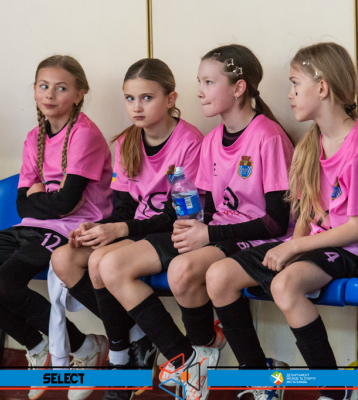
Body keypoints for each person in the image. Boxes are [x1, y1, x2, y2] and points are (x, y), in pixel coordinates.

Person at [92, 44, 293, 400]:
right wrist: (192, 229)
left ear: (239, 88)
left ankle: (227, 367)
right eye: (199, 82)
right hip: (216, 232)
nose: (199, 91)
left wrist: (207, 233)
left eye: (208, 82)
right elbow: (208, 208)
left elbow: (276, 223)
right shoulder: (213, 140)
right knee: (113, 265)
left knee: (184, 270)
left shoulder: (268, 136)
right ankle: (193, 359)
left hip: (258, 239)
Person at [206, 42, 358, 400]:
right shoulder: (313, 142)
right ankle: (260, 380)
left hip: (355, 246)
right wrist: (293, 245)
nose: (289, 94)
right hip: (314, 241)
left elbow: (357, 228)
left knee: (285, 286)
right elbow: (306, 211)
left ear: (322, 88)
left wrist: (294, 248)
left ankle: (336, 392)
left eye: (295, 84)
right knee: (218, 277)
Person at [0, 55, 113, 400]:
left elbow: (66, 205)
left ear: (79, 94)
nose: (50, 94)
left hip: (72, 230)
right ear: (35, 90)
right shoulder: (34, 137)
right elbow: (23, 205)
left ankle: (85, 348)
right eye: (43, 86)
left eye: (61, 88)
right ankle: (37, 346)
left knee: (5, 283)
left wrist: (41, 195)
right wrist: (46, 198)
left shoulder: (84, 135)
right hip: (31, 225)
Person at [49, 58, 203, 400]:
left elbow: (177, 215)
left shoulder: (189, 142)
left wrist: (119, 230)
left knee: (104, 263)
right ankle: (134, 341)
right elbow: (123, 208)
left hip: (176, 232)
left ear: (170, 99)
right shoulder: (127, 141)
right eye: (130, 98)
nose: (137, 107)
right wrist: (98, 228)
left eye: (147, 98)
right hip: (137, 229)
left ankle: (179, 359)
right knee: (64, 258)